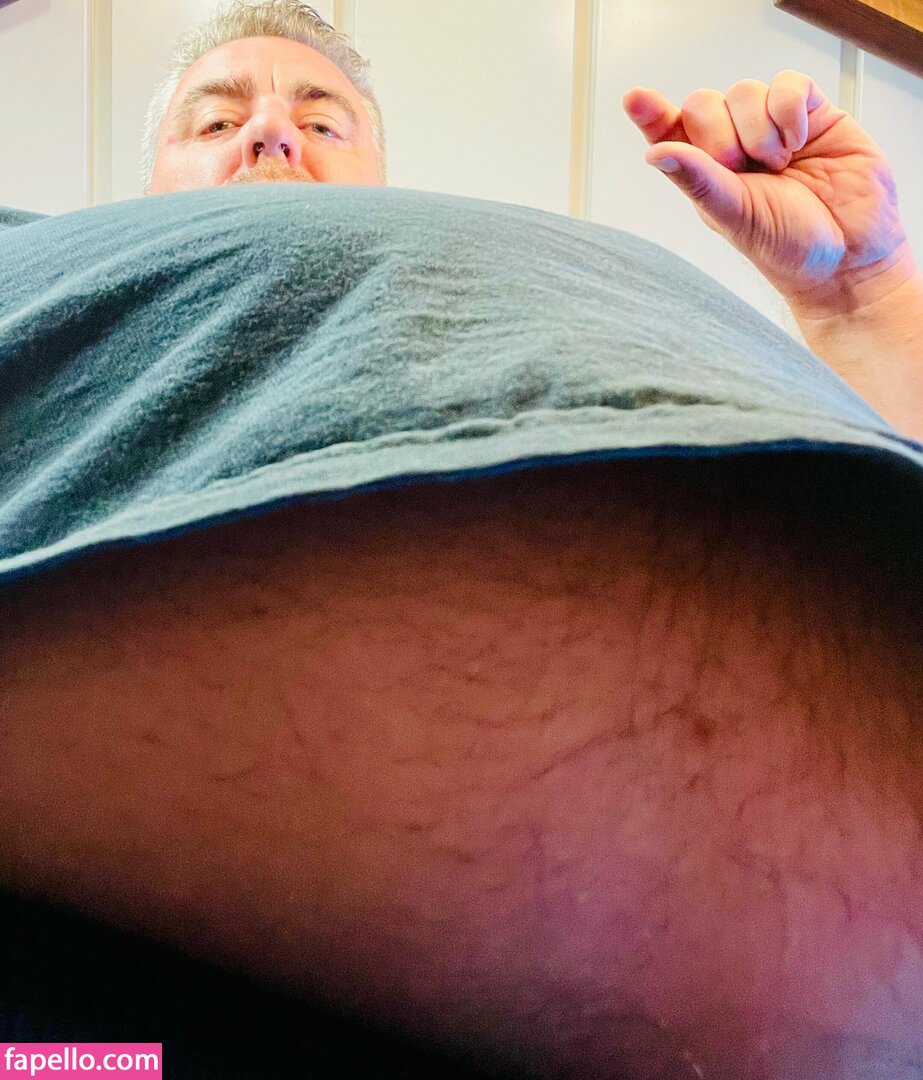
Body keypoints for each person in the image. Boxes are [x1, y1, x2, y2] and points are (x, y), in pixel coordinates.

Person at [1, 3, 921, 1079]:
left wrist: (862, 295)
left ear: (387, 183)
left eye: (324, 121)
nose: (272, 132)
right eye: (214, 122)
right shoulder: (34, 264)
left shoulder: (543, 293)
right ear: (139, 193)